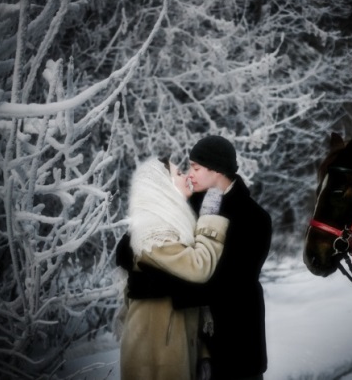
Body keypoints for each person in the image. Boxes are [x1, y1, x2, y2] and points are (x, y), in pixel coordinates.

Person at [126, 136, 273, 380]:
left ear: (216, 170)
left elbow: (231, 284)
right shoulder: (191, 202)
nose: (190, 173)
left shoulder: (254, 218)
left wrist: (157, 287)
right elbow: (136, 244)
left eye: (196, 167)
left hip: (236, 340)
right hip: (191, 341)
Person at [116, 156, 230, 380]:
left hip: (171, 350)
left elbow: (182, 295)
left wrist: (201, 352)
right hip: (154, 359)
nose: (187, 175)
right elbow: (199, 268)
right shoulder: (154, 234)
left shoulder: (173, 226)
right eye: (178, 174)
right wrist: (209, 219)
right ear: (162, 187)